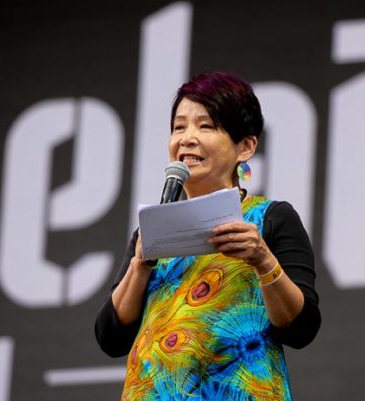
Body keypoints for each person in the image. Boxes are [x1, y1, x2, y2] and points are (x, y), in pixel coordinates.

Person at [94, 71, 320, 400]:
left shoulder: (270, 219)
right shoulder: (150, 229)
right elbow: (110, 338)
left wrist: (262, 260)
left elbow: (302, 328)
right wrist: (140, 265)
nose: (187, 138)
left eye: (206, 126)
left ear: (245, 146)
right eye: (179, 127)